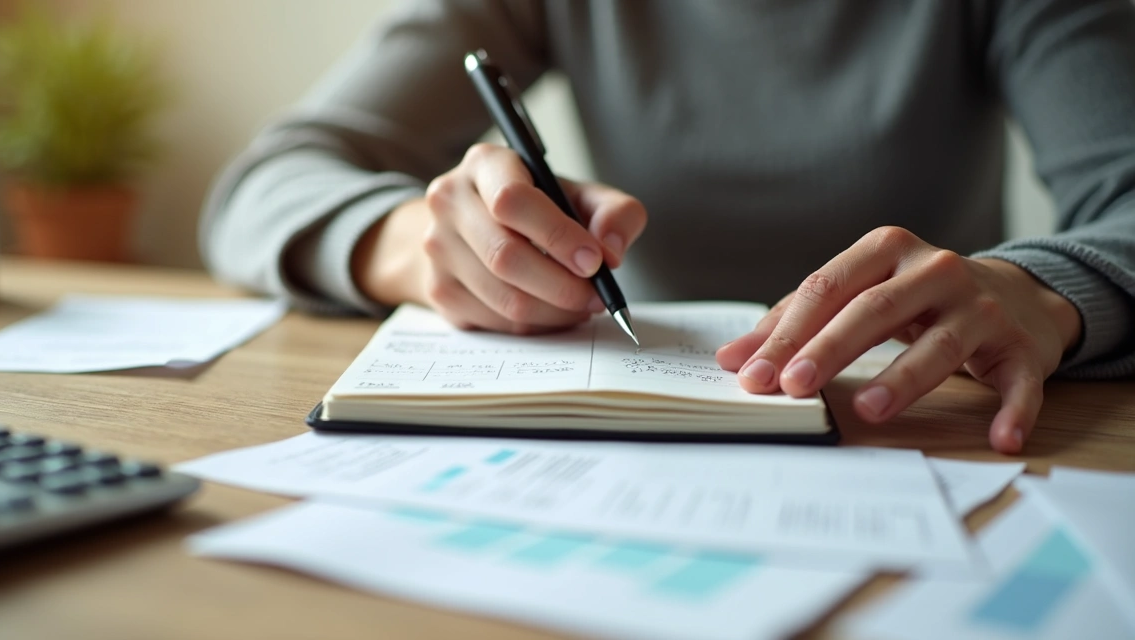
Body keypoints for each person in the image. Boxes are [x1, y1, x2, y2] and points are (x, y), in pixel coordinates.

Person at [200, 0, 1135, 454]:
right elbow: (260, 187)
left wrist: (1043, 291)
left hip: (930, 429)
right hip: (625, 435)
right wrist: (419, 246)